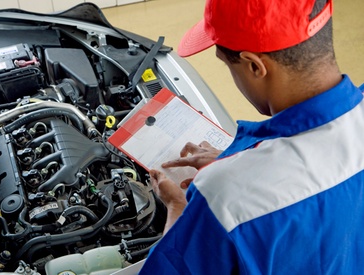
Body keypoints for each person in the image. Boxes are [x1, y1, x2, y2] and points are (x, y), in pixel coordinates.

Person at [139, 0, 364, 274]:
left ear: (255, 66)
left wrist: (177, 207)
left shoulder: (225, 197)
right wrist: (242, 159)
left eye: (227, 65)